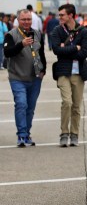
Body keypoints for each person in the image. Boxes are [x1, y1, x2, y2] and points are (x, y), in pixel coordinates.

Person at [50, 4, 87, 147]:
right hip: (63, 71)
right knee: (67, 102)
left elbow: (84, 53)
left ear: (70, 15)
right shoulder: (57, 31)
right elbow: (56, 50)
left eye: (62, 15)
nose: (59, 17)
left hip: (79, 73)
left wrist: (66, 48)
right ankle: (64, 133)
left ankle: (74, 134)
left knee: (76, 106)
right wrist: (75, 47)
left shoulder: (83, 31)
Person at [4, 9, 46, 147]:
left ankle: (27, 134)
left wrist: (43, 70)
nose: (27, 22)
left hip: (35, 78)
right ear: (18, 20)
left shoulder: (37, 33)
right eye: (23, 19)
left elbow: (41, 53)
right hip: (17, 77)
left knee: (30, 108)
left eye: (29, 19)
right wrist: (21, 44)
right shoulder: (11, 35)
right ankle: (21, 135)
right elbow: (7, 52)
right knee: (21, 104)